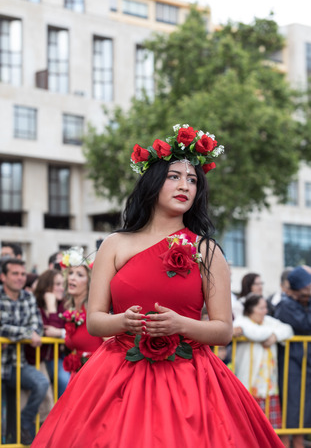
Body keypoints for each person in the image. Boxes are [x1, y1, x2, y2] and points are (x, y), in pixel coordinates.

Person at [32, 124, 283, 447]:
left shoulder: (207, 250)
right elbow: (95, 320)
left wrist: (182, 325)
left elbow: (222, 330)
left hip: (191, 380)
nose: (185, 186)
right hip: (117, 374)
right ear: (152, 184)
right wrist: (121, 322)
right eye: (174, 177)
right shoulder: (114, 244)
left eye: (193, 180)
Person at [0, 258, 50, 445]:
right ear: (3, 277)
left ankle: (26, 422)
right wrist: (25, 334)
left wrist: (14, 334)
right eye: (15, 273)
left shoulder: (28, 297)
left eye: (23, 274)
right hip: (1, 363)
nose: (20, 278)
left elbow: (37, 328)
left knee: (41, 383)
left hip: (16, 364)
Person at [233, 293, 293, 435]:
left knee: (270, 431)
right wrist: (273, 334)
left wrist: (276, 336)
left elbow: (288, 329)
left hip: (269, 387)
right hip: (249, 385)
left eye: (265, 308)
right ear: (250, 310)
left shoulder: (267, 321)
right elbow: (256, 334)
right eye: (261, 308)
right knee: (249, 430)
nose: (265, 311)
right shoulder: (241, 321)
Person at [274, 266, 311, 448]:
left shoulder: (305, 302)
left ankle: (300, 442)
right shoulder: (285, 304)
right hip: (291, 361)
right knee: (292, 403)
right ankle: (290, 444)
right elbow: (305, 324)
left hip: (305, 360)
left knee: (305, 403)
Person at [58, 247, 103, 380]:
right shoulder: (70, 310)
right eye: (70, 273)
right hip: (78, 375)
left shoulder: (93, 308)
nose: (72, 278)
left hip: (96, 375)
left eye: (79, 275)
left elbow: (112, 342)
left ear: (89, 281)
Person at [25, 269, 70, 397]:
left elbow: (55, 331)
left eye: (63, 284)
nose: (62, 288)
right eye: (58, 284)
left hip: (55, 357)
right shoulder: (35, 305)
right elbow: (49, 332)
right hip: (35, 359)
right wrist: (51, 307)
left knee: (64, 381)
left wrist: (52, 308)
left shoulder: (63, 306)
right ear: (47, 286)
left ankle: (62, 416)